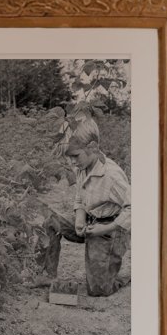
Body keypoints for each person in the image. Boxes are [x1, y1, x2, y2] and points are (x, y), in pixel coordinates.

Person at [35, 127, 130, 298]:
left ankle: (123, 276)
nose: (72, 162)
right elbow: (80, 197)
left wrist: (106, 229)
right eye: (69, 157)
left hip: (112, 230)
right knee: (51, 221)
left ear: (93, 147)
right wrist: (79, 218)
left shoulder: (112, 175)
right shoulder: (82, 166)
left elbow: (134, 207)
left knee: (98, 290)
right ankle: (47, 275)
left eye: (75, 156)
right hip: (90, 221)